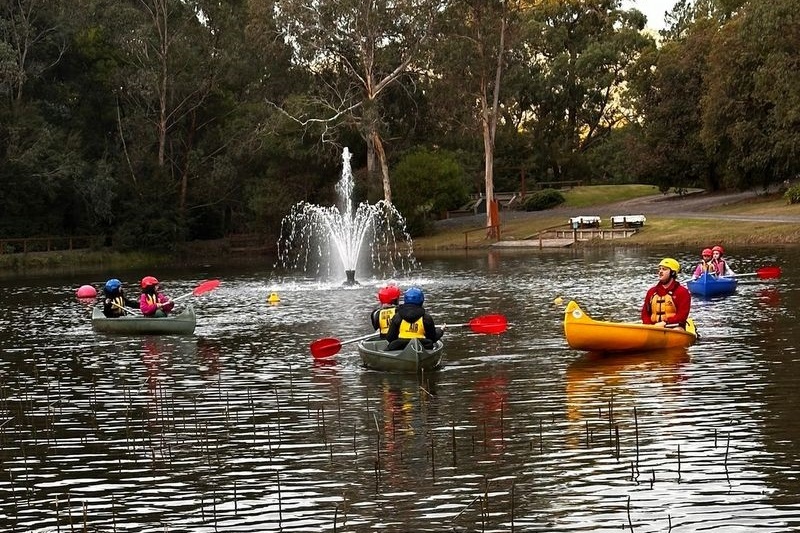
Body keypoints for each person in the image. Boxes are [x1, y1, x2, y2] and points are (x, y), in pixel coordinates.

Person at [641, 258, 691, 329]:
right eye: (660, 269)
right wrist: (649, 325)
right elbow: (645, 313)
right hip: (653, 328)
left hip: (674, 327)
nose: (660, 272)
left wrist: (665, 323)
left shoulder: (682, 292)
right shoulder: (651, 292)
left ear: (673, 273)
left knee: (677, 330)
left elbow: (682, 316)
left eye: (664, 269)